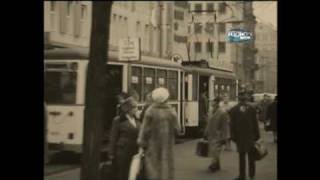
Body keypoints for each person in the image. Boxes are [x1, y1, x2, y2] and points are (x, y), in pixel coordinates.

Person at [137, 87, 178, 180]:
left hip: (152, 146)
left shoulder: (150, 111)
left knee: (153, 169)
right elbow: (178, 129)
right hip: (167, 147)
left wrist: (142, 143)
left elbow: (144, 131)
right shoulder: (171, 112)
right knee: (167, 168)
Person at [230, 91, 260, 180]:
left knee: (241, 157)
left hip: (240, 137)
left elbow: (232, 124)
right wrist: (257, 136)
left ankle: (242, 175)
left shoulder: (234, 109)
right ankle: (251, 174)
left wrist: (233, 136)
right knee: (251, 156)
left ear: (239, 98)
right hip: (250, 136)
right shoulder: (252, 108)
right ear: (246, 98)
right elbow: (255, 123)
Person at [108, 97, 141, 180]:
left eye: (136, 107)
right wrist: (111, 153)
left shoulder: (137, 120)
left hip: (135, 150)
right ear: (128, 109)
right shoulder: (118, 120)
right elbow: (113, 137)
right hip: (123, 151)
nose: (136, 109)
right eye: (134, 107)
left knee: (133, 174)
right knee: (123, 173)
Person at [204, 97, 230, 172]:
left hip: (218, 135)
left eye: (213, 101)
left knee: (215, 150)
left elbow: (225, 126)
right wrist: (205, 132)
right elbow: (208, 123)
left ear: (217, 102)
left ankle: (213, 165)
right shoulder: (210, 111)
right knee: (213, 150)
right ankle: (217, 165)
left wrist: (225, 137)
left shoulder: (222, 112)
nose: (211, 103)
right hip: (211, 134)